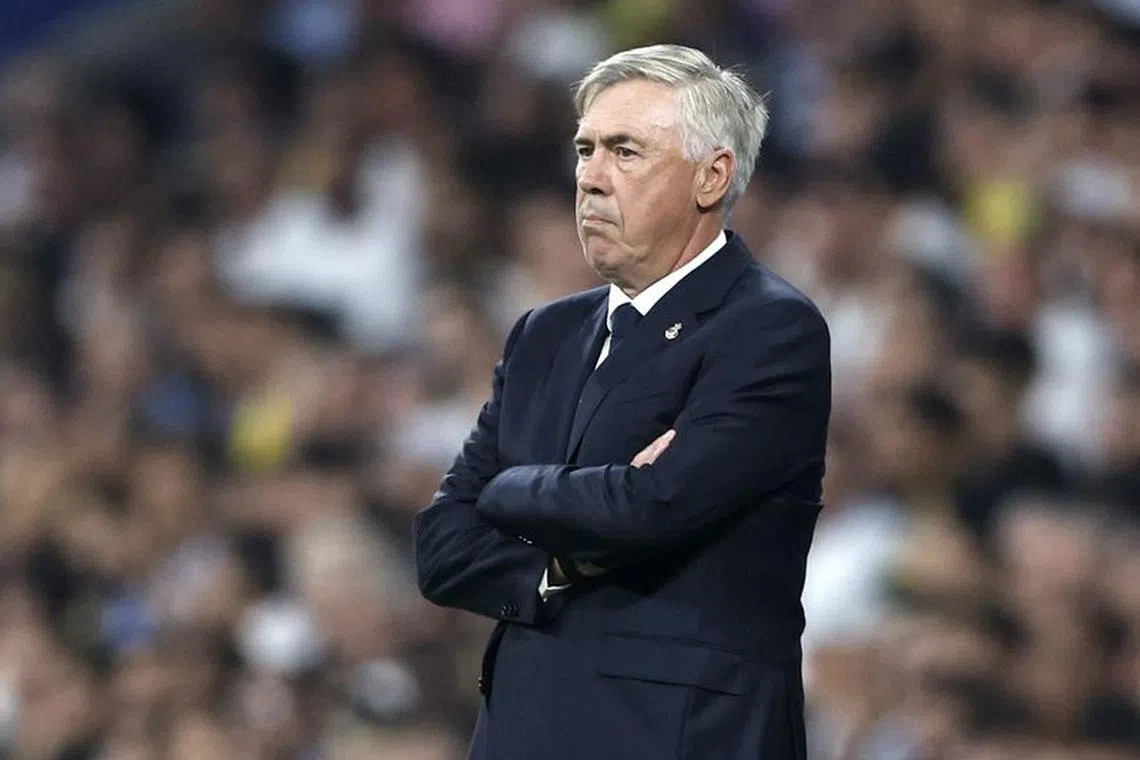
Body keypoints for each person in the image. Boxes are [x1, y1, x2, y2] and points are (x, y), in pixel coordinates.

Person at [413, 44, 831, 760]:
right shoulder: (545, 333)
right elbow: (442, 546)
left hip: (679, 736)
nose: (589, 179)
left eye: (625, 151)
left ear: (712, 176)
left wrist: (509, 490)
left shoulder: (769, 328)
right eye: (584, 150)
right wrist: (554, 568)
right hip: (522, 729)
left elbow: (651, 508)